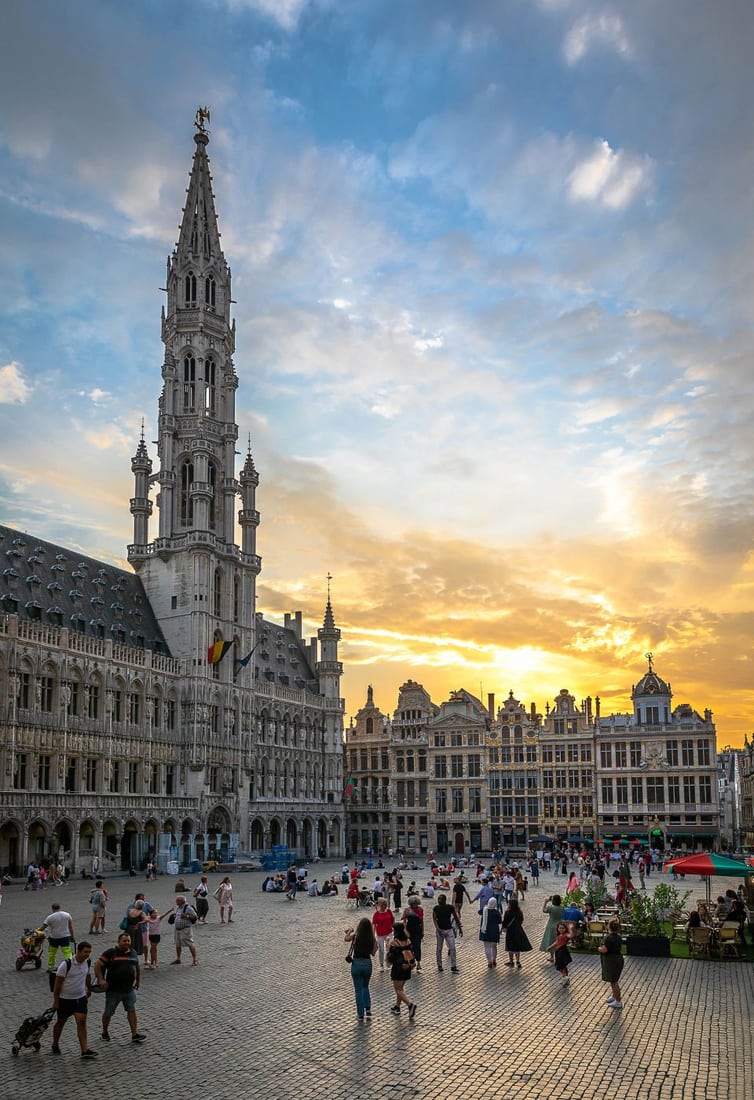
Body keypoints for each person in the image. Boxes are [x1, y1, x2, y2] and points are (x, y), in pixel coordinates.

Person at [95, 931, 146, 1044]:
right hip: (113, 990)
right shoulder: (110, 953)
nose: (126, 943)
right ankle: (104, 1032)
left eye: (128, 941)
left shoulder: (133, 952)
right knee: (108, 1012)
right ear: (118, 942)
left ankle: (135, 1034)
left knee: (131, 1010)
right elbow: (98, 965)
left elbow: (136, 967)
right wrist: (101, 979)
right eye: (124, 941)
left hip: (129, 989)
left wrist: (138, 980)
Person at [50, 940, 97, 1058]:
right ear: (79, 951)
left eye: (89, 952)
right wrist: (56, 1001)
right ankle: (55, 1043)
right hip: (65, 1000)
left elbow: (87, 976)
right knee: (61, 1022)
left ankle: (84, 1050)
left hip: (80, 998)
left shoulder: (87, 962)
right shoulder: (66, 965)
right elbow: (57, 985)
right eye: (86, 952)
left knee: (81, 1022)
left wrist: (89, 989)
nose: (88, 954)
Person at [344, 917, 377, 1021]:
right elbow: (373, 953)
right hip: (367, 964)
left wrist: (349, 931)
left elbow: (346, 938)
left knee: (358, 990)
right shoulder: (372, 938)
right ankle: (368, 1008)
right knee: (365, 986)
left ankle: (360, 1014)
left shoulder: (356, 936)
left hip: (356, 963)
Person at [387, 922, 417, 1019]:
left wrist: (388, 947)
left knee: (398, 989)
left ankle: (410, 1005)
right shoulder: (408, 941)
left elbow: (391, 958)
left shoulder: (394, 943)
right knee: (401, 988)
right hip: (407, 967)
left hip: (398, 968)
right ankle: (397, 1007)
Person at [598, 918, 624, 1009]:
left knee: (613, 981)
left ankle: (618, 1001)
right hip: (618, 958)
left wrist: (599, 949)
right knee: (613, 979)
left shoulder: (608, 938)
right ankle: (614, 996)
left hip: (611, 960)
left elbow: (605, 950)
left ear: (608, 926)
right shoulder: (618, 937)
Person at [42, 902, 75, 972]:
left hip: (54, 937)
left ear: (52, 909)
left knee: (52, 953)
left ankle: (51, 967)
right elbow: (70, 927)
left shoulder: (50, 917)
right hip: (65, 937)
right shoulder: (67, 915)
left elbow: (43, 927)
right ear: (60, 908)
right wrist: (72, 936)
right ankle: (70, 966)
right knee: (67, 952)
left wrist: (37, 931)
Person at [502, 896, 533, 968]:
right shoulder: (519, 912)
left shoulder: (507, 912)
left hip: (510, 931)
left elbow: (505, 922)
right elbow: (522, 920)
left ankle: (511, 961)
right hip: (518, 930)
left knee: (510, 946)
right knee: (517, 946)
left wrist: (503, 927)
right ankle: (518, 961)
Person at [433, 892, 459, 973]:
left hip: (449, 929)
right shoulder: (436, 908)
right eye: (438, 899)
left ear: (444, 900)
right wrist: (438, 929)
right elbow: (434, 919)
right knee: (439, 948)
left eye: (440, 899)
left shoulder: (450, 907)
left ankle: (453, 965)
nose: (439, 900)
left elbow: (455, 917)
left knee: (452, 948)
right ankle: (439, 964)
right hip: (440, 930)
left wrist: (460, 928)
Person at [169, 895, 199, 965]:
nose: (176, 902)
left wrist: (186, 916)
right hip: (177, 929)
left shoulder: (188, 908)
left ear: (181, 901)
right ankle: (178, 959)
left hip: (185, 929)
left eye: (177, 901)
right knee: (178, 944)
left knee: (190, 943)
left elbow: (195, 916)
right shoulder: (178, 908)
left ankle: (195, 959)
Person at [145, 902, 173, 968]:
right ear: (151, 914)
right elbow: (144, 918)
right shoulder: (148, 918)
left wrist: (170, 910)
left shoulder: (158, 918)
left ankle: (152, 963)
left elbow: (164, 914)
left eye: (156, 913)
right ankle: (155, 962)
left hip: (156, 936)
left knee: (153, 949)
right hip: (151, 935)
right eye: (154, 913)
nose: (156, 914)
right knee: (153, 949)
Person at [546, 920, 573, 987]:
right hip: (558, 951)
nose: (561, 929)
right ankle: (565, 978)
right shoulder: (559, 935)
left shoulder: (565, 935)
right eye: (560, 928)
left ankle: (565, 978)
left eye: (562, 928)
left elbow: (571, 935)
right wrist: (550, 946)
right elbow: (556, 942)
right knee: (561, 966)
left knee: (561, 965)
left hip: (562, 951)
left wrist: (570, 928)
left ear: (565, 929)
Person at [372, 898, 395, 970]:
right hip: (380, 934)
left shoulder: (389, 911)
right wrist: (373, 935)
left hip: (389, 932)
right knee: (381, 950)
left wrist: (393, 928)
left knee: (390, 948)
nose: (385, 906)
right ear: (379, 905)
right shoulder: (376, 914)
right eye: (383, 905)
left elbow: (392, 919)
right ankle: (381, 964)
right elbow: (374, 925)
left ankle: (388, 962)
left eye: (385, 904)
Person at [479, 896, 502, 967]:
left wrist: (485, 906)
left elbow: (479, 912)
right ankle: (494, 960)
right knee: (494, 947)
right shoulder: (496, 912)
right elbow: (499, 922)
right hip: (494, 931)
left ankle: (489, 961)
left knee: (487, 947)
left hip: (485, 930)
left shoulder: (484, 910)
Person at [403, 896, 424, 971]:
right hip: (409, 929)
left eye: (416, 903)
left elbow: (422, 921)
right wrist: (405, 930)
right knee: (409, 947)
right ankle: (411, 961)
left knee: (417, 946)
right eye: (414, 904)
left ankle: (418, 962)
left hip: (417, 930)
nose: (416, 905)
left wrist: (422, 930)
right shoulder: (407, 910)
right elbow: (404, 921)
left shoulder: (420, 910)